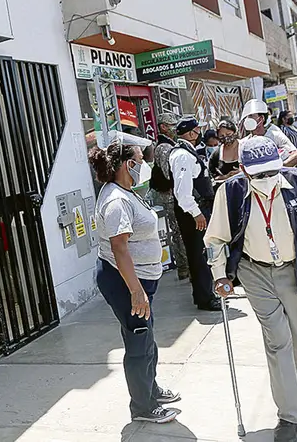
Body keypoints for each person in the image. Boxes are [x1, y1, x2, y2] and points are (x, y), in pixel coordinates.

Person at [206, 137, 297, 442]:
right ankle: (288, 414)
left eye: (273, 171)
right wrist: (220, 275)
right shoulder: (229, 192)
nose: (268, 180)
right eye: (259, 175)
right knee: (278, 340)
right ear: (243, 169)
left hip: (296, 267)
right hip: (254, 271)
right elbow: (215, 239)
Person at [89, 140, 182, 424]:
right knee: (139, 341)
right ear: (128, 164)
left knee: (146, 338)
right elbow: (119, 249)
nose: (146, 163)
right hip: (126, 281)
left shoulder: (126, 192)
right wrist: (136, 291)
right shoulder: (117, 200)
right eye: (141, 158)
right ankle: (142, 407)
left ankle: (150, 389)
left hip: (139, 279)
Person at [170, 117, 221, 311]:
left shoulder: (187, 152)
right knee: (199, 254)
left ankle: (205, 294)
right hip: (193, 212)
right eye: (197, 130)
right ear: (191, 133)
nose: (199, 134)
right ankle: (205, 298)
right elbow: (182, 193)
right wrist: (197, 213)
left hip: (196, 210)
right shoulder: (182, 155)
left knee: (201, 253)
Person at [151, 113, 188, 280]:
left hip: (175, 195)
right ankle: (184, 266)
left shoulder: (172, 144)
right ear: (163, 127)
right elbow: (169, 174)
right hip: (171, 197)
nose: (175, 128)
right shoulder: (164, 147)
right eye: (171, 125)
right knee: (179, 231)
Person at [240, 99, 297, 167]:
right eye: (246, 117)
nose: (247, 119)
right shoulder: (245, 143)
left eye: (251, 116)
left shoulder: (275, 135)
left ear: (261, 118)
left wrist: (278, 168)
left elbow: (296, 157)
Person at [210, 119, 242, 185]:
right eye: (222, 136)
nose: (226, 137)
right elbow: (212, 177)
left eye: (228, 134)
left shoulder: (245, 147)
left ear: (235, 132)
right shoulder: (216, 154)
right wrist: (227, 176)